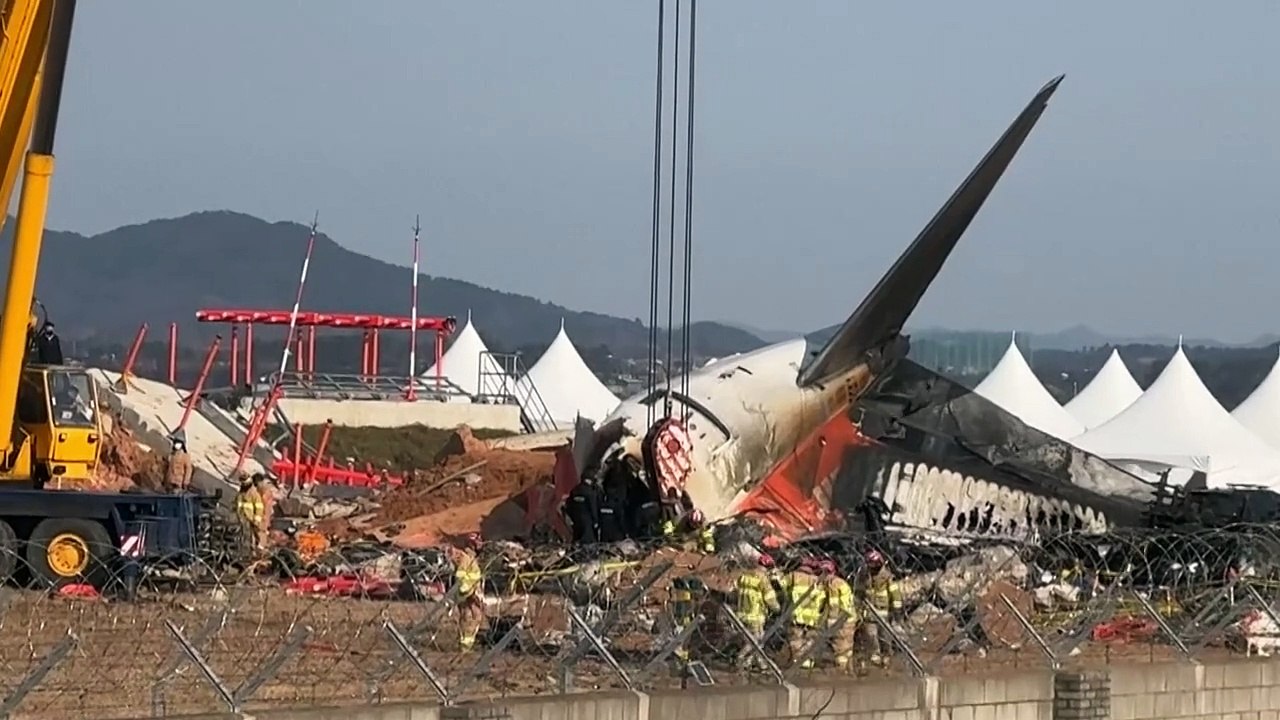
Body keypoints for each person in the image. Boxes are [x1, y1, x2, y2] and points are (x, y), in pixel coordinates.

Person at [735, 553, 781, 670]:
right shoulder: (763, 579)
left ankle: (752, 663)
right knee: (756, 641)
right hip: (755, 616)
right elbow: (770, 599)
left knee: (753, 640)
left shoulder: (744, 576)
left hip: (741, 614)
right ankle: (740, 659)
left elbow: (735, 592)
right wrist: (777, 609)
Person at [857, 549, 902, 666]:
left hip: (883, 611)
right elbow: (859, 591)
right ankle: (874, 654)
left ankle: (887, 655)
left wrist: (896, 610)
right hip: (869, 611)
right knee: (871, 635)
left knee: (885, 636)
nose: (872, 569)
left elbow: (895, 594)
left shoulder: (887, 577)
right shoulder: (864, 575)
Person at [779, 558, 824, 669]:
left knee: (796, 639)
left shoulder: (793, 576)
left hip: (796, 615)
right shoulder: (817, 580)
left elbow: (781, 585)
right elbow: (822, 599)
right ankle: (808, 661)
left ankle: (799, 661)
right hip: (812, 617)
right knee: (809, 640)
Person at [819, 559, 858, 671]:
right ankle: (849, 669)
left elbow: (834, 604)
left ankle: (841, 671)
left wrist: (831, 622)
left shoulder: (832, 584)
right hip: (850, 618)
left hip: (841, 620)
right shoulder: (841, 582)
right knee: (848, 645)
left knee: (839, 647)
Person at [453, 532, 486, 651]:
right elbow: (461, 576)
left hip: (471, 593)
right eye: (478, 543)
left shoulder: (471, 558)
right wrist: (470, 592)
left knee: (475, 617)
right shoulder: (465, 558)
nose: (480, 545)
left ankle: (467, 644)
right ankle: (465, 645)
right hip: (467, 595)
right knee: (469, 617)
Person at [235, 475, 264, 552]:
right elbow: (236, 504)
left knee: (252, 538)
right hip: (241, 519)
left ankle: (252, 551)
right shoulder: (240, 493)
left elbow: (259, 508)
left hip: (250, 520)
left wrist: (256, 521)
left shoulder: (254, 494)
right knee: (242, 536)